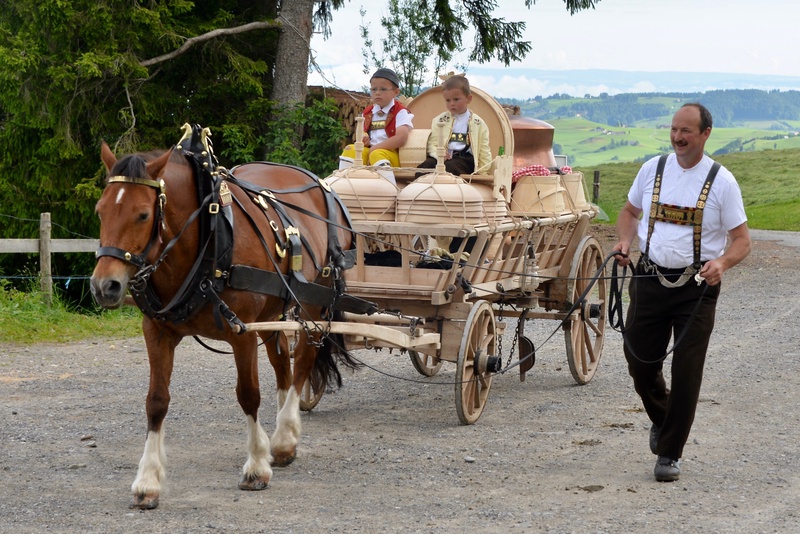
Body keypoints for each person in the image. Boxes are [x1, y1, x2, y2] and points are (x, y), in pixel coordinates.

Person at [613, 102, 751, 482]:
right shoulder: (652, 169)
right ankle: (664, 416)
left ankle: (670, 452)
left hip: (696, 288)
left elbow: (742, 241)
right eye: (674, 129)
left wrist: (721, 264)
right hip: (649, 279)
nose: (678, 137)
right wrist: (625, 242)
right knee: (639, 361)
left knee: (686, 370)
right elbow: (628, 212)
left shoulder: (722, 182)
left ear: (705, 134)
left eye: (686, 131)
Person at [340, 68, 414, 181]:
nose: (377, 93)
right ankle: (344, 181)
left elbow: (401, 138)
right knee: (350, 149)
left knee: (377, 154)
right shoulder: (368, 112)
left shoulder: (400, 112)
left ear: (396, 92)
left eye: (383, 89)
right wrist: (364, 137)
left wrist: (374, 148)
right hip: (371, 149)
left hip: (391, 153)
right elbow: (362, 131)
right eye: (374, 89)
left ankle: (388, 186)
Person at [416, 75, 492, 176]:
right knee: (425, 167)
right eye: (448, 100)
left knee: (450, 167)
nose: (451, 104)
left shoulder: (479, 124)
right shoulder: (439, 120)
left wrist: (482, 173)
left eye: (456, 99)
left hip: (465, 160)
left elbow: (484, 151)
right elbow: (432, 144)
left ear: (468, 99)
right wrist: (437, 155)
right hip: (442, 158)